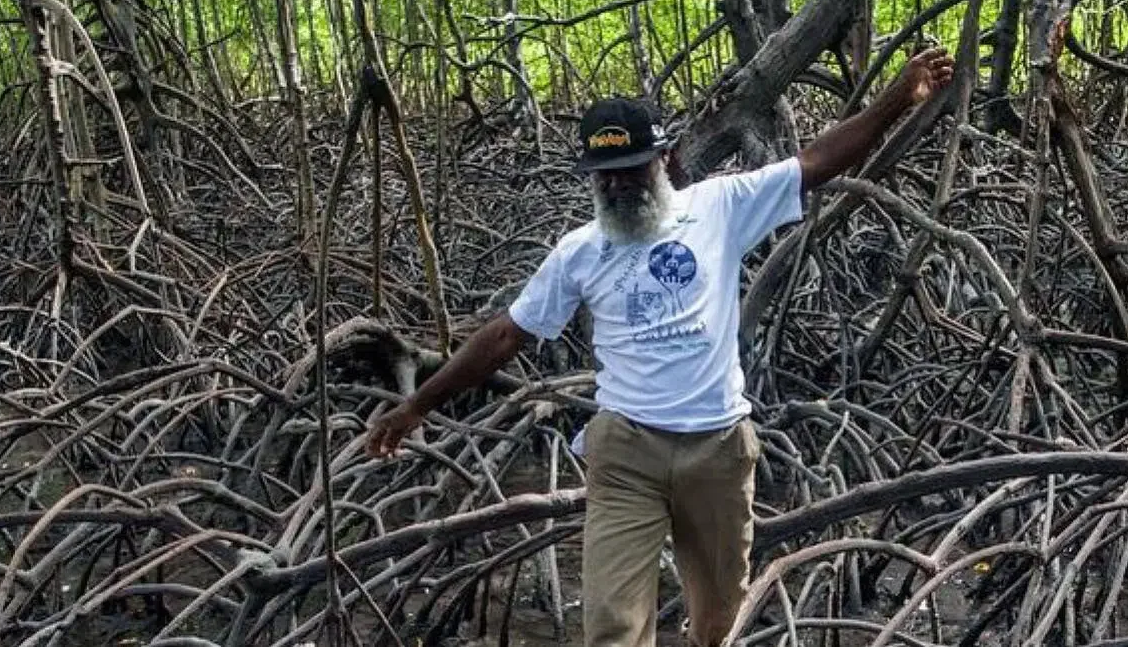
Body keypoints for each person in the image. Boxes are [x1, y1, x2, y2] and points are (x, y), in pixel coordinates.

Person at [366, 46, 955, 647]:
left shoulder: (720, 207)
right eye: (606, 174)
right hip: (627, 454)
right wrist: (418, 405)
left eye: (632, 167)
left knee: (719, 622)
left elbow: (816, 161)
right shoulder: (579, 251)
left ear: (666, 160)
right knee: (613, 628)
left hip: (719, 450)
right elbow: (502, 336)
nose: (619, 184)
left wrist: (894, 100)